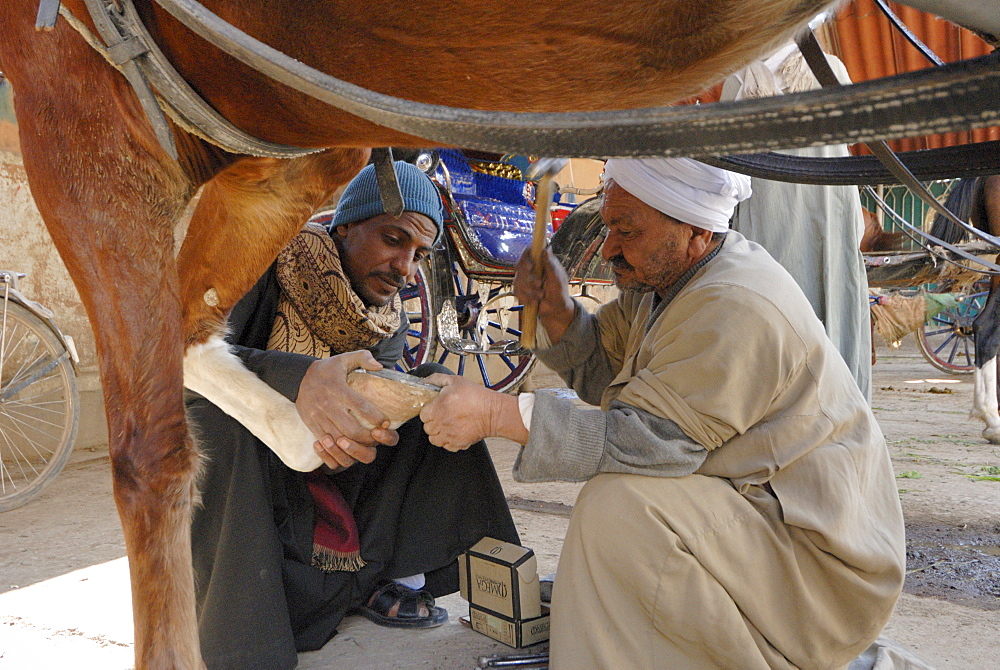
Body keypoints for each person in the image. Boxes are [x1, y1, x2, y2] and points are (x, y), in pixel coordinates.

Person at [420, 157, 906, 669]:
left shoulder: (735, 304)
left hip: (820, 573)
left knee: (622, 506)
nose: (608, 249)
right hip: (757, 522)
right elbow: (610, 370)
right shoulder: (668, 283)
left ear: (695, 229)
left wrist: (498, 414)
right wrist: (560, 313)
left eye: (625, 231)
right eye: (609, 227)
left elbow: (648, 441)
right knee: (624, 511)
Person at [187, 160, 519, 670]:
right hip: (256, 480)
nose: (405, 268)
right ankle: (244, 643)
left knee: (440, 393)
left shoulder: (386, 318)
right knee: (213, 421)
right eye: (393, 239)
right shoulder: (267, 263)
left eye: (418, 255)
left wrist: (388, 406)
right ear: (346, 225)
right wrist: (302, 378)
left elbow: (376, 404)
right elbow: (191, 357)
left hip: (336, 469)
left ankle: (398, 575)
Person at [721, 43, 873, 401]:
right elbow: (852, 135)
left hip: (767, 224)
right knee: (831, 303)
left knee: (767, 312)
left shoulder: (739, 79)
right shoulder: (830, 68)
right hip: (827, 217)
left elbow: (725, 166)